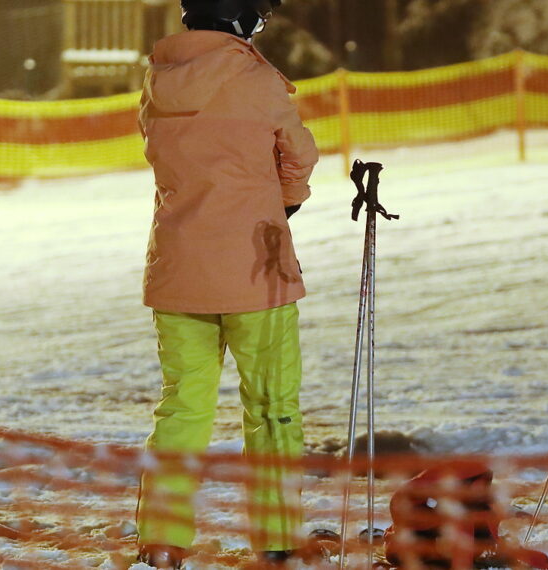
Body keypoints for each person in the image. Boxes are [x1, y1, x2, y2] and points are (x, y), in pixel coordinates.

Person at [134, 0, 318, 567]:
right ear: (240, 18)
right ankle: (279, 539)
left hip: (178, 267)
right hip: (255, 271)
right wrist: (279, 205)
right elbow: (299, 156)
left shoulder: (157, 78)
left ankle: (162, 541)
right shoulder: (255, 76)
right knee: (271, 407)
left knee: (182, 409)